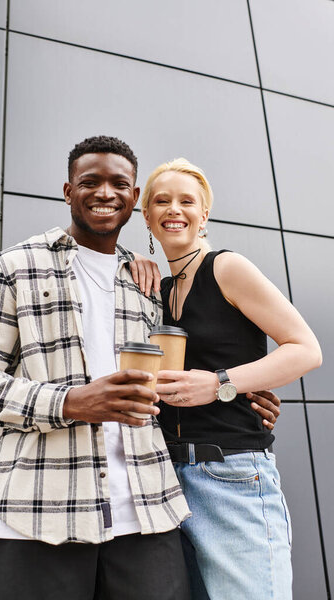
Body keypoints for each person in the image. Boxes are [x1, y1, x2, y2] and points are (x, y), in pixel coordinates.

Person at [0, 136, 280, 600]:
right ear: (68, 192)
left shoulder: (146, 283)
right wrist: (70, 401)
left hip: (150, 512)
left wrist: (239, 389)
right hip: (40, 512)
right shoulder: (15, 266)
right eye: (90, 182)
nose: (105, 193)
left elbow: (185, 368)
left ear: (133, 198)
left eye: (119, 184)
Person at [135, 157, 322, 600]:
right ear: (146, 216)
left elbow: (306, 349)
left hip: (231, 475)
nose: (173, 209)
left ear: (204, 215)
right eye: (161, 200)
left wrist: (220, 382)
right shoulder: (158, 289)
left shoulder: (227, 268)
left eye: (187, 201)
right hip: (168, 482)